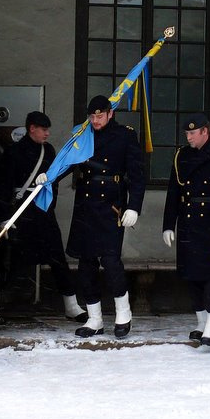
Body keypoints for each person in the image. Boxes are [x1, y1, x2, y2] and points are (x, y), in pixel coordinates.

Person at [63, 95, 145, 338]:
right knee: (86, 264)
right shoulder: (83, 134)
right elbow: (67, 162)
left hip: (111, 205)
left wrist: (134, 207)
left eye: (100, 116)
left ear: (111, 114)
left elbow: (138, 174)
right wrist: (48, 176)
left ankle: (123, 313)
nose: (95, 121)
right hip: (86, 204)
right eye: (92, 116)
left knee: (110, 261)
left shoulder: (125, 135)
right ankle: (94, 318)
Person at [162, 112, 210, 346]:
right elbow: (173, 193)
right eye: (186, 133)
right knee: (192, 276)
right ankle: (201, 322)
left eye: (193, 133)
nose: (188, 137)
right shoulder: (182, 156)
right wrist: (168, 224)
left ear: (205, 131)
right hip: (188, 221)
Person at [0, 111, 86, 322]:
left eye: (48, 130)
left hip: (43, 212)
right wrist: (4, 217)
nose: (47, 134)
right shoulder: (14, 152)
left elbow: (53, 181)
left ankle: (71, 305)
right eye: (44, 129)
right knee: (10, 260)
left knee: (57, 258)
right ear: (32, 129)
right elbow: (4, 186)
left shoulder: (49, 151)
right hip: (21, 212)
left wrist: (50, 199)